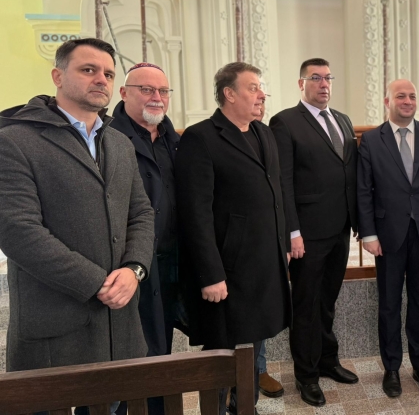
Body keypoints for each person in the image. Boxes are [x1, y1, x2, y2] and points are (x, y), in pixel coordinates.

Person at [0, 38, 154, 375]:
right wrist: (98, 283)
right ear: (57, 76)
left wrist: (134, 269)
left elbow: (141, 213)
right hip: (56, 336)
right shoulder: (14, 140)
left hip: (121, 330)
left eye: (109, 74)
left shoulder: (119, 143)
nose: (101, 79)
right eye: (88, 70)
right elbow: (18, 231)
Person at [175, 62, 291, 413]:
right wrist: (210, 274)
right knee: (223, 357)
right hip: (228, 272)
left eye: (262, 88)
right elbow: (195, 214)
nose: (262, 95)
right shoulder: (201, 138)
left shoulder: (263, 133)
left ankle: (246, 407)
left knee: (250, 351)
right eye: (253, 88)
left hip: (263, 265)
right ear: (229, 93)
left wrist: (283, 245)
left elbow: (276, 195)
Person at [358, 79, 419, 399]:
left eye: (412, 96)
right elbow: (363, 190)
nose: (407, 101)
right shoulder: (371, 140)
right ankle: (391, 368)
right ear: (387, 101)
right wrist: (368, 233)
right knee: (389, 304)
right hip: (387, 235)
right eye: (400, 96)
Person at [269, 58, 359, 407]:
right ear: (301, 83)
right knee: (306, 305)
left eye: (328, 78)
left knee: (327, 301)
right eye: (316, 78)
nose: (324, 84)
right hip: (306, 234)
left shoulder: (343, 119)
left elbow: (347, 172)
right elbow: (284, 182)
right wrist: (292, 231)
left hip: (340, 229)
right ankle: (306, 376)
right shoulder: (285, 122)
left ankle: (327, 361)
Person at [110, 62, 187, 415]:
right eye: (146, 89)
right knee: (124, 357)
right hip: (125, 266)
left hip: (170, 263)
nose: (157, 97)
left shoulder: (175, 141)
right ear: (124, 93)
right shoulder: (108, 138)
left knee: (160, 347)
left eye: (163, 91)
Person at [254, 93, 285, 399]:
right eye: (254, 96)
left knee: (261, 311)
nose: (260, 105)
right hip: (234, 248)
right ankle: (232, 380)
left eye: (263, 100)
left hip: (267, 241)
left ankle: (258, 369)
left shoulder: (266, 134)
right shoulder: (211, 136)